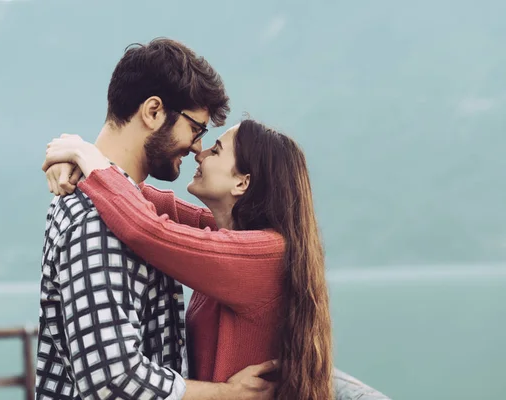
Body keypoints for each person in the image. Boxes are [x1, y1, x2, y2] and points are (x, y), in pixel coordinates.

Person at [35, 38, 278, 400]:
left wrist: (86, 157)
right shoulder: (95, 220)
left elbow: (174, 224)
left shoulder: (120, 205)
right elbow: (113, 381)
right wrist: (230, 394)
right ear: (152, 111)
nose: (197, 147)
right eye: (197, 129)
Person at [42, 119, 334, 400]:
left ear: (242, 183)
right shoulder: (232, 238)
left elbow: (148, 229)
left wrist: (86, 157)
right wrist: (80, 155)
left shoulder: (262, 255)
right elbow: (137, 199)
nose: (200, 152)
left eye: (216, 150)